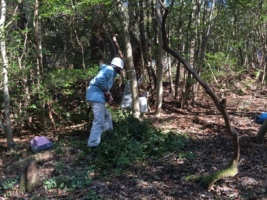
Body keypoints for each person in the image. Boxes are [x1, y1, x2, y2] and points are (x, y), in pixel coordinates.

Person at [86, 57, 124, 147]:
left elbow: (103, 84)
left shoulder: (109, 71)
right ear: (117, 67)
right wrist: (106, 91)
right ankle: (92, 145)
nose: (120, 71)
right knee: (99, 121)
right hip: (96, 97)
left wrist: (107, 95)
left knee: (107, 116)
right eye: (120, 69)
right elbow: (100, 79)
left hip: (96, 96)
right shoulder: (109, 70)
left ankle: (108, 136)